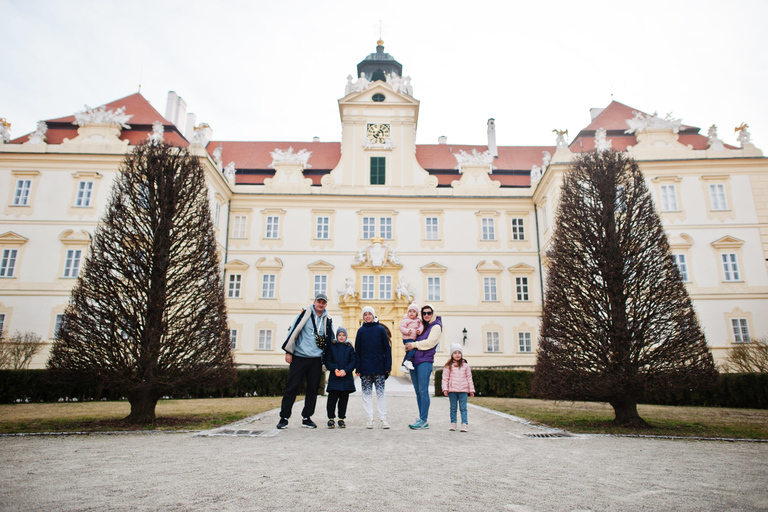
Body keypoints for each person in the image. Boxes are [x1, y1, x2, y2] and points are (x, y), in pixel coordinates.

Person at [277, 292, 333, 429]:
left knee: (312, 389)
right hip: (300, 357)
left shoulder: (327, 319)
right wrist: (288, 351)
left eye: (323, 302)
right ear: (314, 302)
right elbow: (293, 330)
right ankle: (284, 417)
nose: (321, 304)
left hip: (316, 359)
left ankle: (307, 417)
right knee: (292, 387)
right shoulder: (305, 313)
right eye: (319, 302)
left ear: (326, 304)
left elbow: (331, 338)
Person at [404, 304, 442, 430]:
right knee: (418, 391)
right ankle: (421, 417)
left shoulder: (436, 326)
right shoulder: (423, 326)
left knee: (423, 391)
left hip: (425, 361)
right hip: (415, 361)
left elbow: (430, 343)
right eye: (424, 313)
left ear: (433, 313)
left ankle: (424, 420)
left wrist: (413, 345)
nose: (426, 315)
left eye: (429, 313)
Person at [355, 306, 392, 429]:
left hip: (379, 367)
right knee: (366, 394)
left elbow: (387, 349)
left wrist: (387, 366)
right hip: (365, 368)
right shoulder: (360, 331)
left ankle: (383, 418)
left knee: (381, 394)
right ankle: (369, 418)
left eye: (369, 314)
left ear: (373, 315)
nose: (367, 316)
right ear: (363, 317)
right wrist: (358, 367)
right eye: (365, 314)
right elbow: (358, 351)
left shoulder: (380, 330)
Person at [324, 326, 355, 429]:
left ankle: (341, 418)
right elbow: (328, 361)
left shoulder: (350, 348)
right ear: (337, 336)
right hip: (335, 376)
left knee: (343, 400)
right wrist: (335, 369)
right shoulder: (332, 347)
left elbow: (353, 361)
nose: (341, 337)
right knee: (332, 399)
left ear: (346, 336)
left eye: (343, 335)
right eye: (339, 335)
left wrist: (345, 370)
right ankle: (331, 418)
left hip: (346, 377)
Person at [441, 343, 475, 432]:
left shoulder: (465, 366)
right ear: (452, 355)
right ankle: (453, 424)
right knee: (453, 408)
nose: (457, 355)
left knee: (463, 408)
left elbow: (469, 378)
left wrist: (471, 390)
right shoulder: (448, 366)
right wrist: (445, 388)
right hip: (452, 390)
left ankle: (464, 424)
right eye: (455, 353)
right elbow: (445, 378)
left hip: (463, 390)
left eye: (459, 353)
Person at [399, 302, 423, 372]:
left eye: (413, 311)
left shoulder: (418, 320)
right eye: (410, 311)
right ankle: (408, 360)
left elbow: (421, 326)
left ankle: (403, 365)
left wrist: (419, 330)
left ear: (417, 313)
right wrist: (407, 331)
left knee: (408, 352)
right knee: (412, 348)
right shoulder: (406, 320)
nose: (411, 313)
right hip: (407, 338)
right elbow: (401, 328)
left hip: (413, 338)